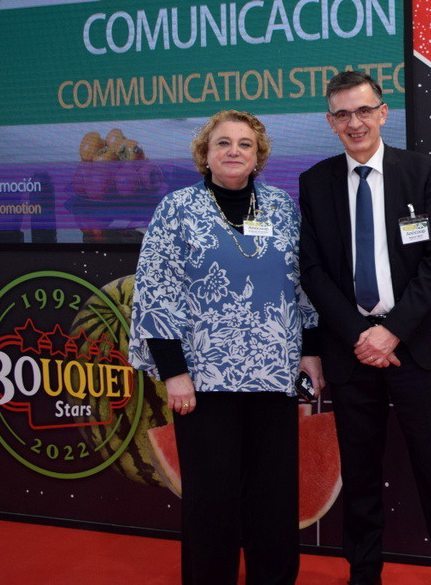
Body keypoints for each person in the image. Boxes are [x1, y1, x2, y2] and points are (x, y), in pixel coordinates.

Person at [129, 109, 324, 585]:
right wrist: (174, 372)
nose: (234, 151)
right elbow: (155, 292)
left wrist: (310, 350)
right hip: (203, 380)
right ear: (205, 152)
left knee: (273, 498)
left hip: (274, 374)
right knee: (211, 501)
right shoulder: (176, 209)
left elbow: (302, 284)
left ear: (258, 156)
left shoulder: (281, 207)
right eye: (223, 143)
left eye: (245, 144)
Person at [298, 71, 431, 585]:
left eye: (363, 110)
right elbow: (313, 270)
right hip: (351, 348)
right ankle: (363, 572)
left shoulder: (420, 172)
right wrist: (361, 334)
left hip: (414, 346)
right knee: (358, 472)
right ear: (330, 122)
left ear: (382, 112)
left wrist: (391, 331)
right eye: (342, 114)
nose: (354, 123)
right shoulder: (315, 182)